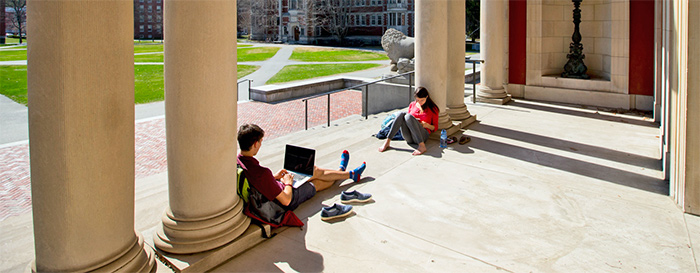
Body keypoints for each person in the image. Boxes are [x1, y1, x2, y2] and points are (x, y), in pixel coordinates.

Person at [237, 124, 370, 223]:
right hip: (284, 200)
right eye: (260, 142)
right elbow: (286, 200)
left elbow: (258, 182)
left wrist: (275, 177)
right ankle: (347, 173)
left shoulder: (238, 161)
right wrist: (288, 183)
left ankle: (343, 172)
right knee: (316, 182)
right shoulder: (262, 173)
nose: (260, 145)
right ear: (255, 144)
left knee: (313, 170)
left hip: (272, 191)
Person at [378, 87, 439, 155]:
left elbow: (435, 128)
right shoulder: (412, 105)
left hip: (423, 135)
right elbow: (407, 120)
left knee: (408, 116)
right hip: (409, 137)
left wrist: (427, 125)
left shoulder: (433, 108)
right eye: (418, 100)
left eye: (422, 100)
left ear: (427, 97)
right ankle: (387, 142)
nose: (420, 102)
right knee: (401, 114)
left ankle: (422, 146)